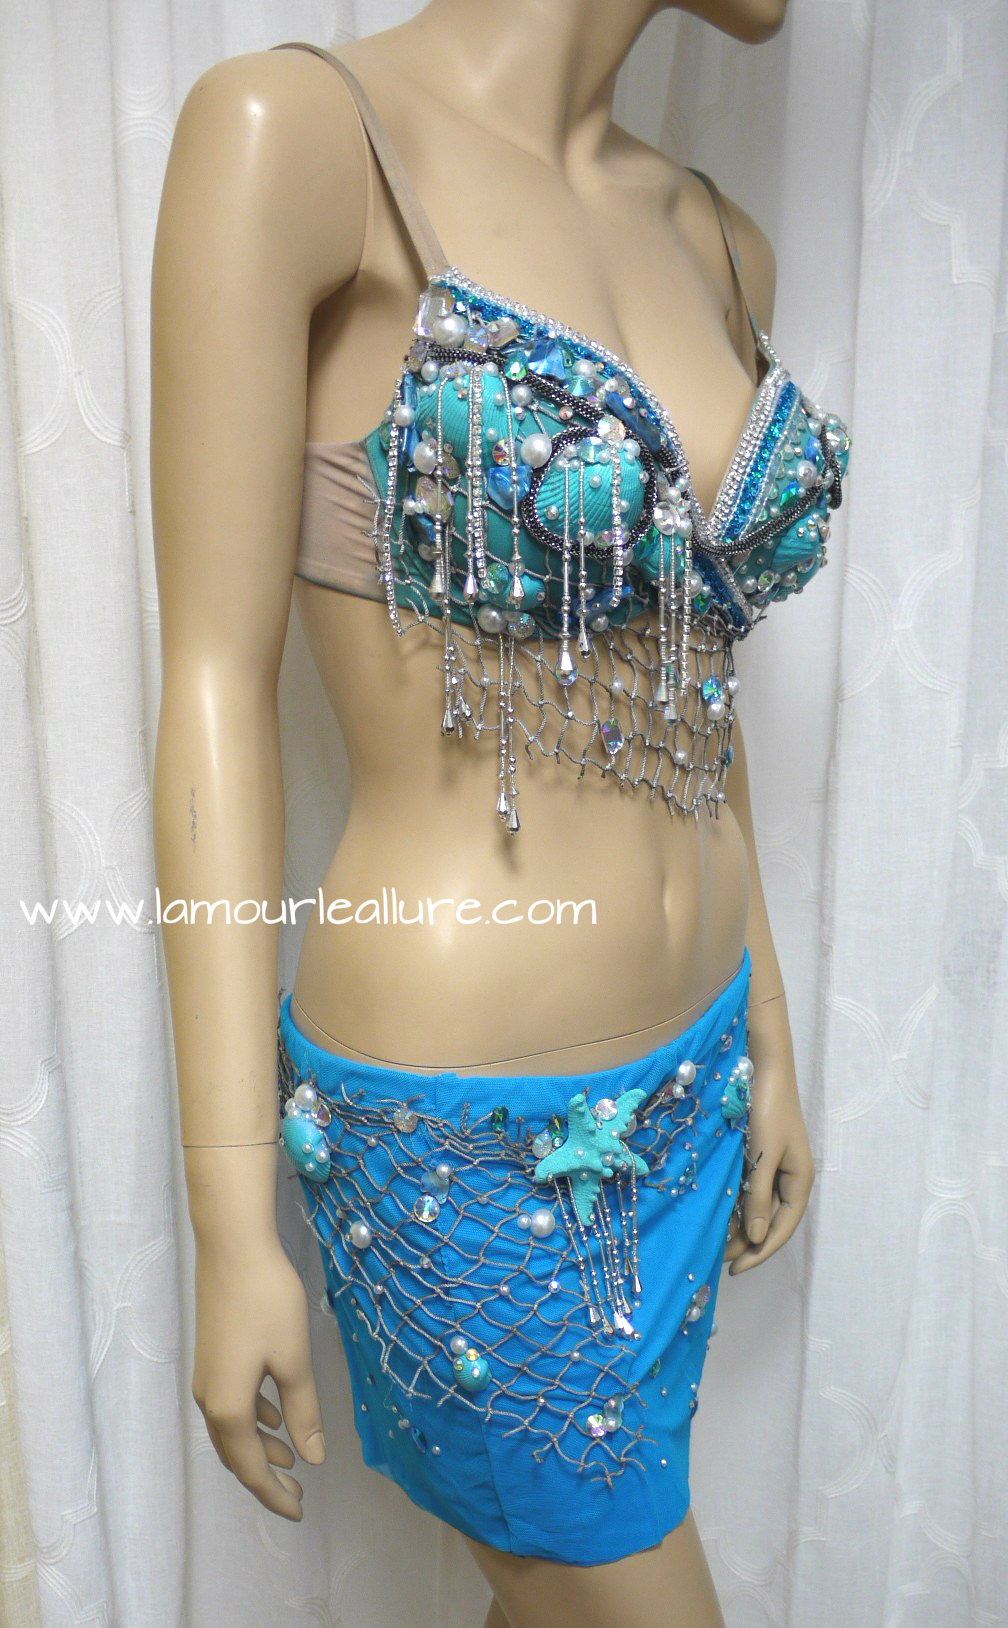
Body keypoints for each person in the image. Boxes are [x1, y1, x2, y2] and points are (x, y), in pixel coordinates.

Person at [151, 3, 849, 1624]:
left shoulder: (715, 238)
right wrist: (228, 1214)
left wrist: (770, 1031)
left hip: (696, 1070)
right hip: (464, 1125)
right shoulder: (298, 141)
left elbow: (694, 678)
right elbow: (211, 688)